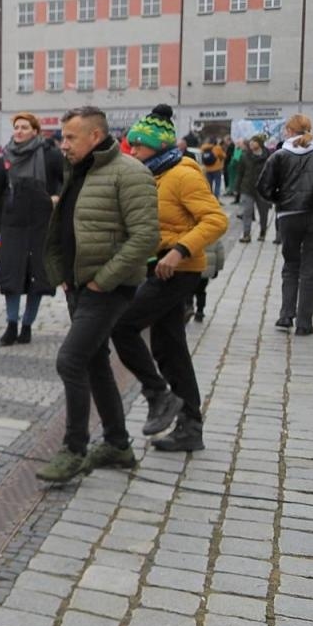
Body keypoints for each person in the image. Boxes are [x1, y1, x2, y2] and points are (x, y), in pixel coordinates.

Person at [36, 107, 159, 484]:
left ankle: (74, 450)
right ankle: (118, 445)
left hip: (107, 287)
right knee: (94, 363)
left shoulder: (130, 172)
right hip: (79, 285)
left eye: (70, 137)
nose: (63, 144)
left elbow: (145, 237)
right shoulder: (79, 169)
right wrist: (62, 273)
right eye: (63, 137)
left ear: (95, 136)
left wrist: (103, 280)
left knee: (70, 360)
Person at [108, 107, 226, 455]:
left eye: (139, 146)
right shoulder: (153, 174)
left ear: (159, 146)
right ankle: (190, 426)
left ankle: (159, 395)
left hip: (178, 269)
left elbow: (216, 220)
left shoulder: (183, 174)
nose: (133, 151)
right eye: (131, 146)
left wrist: (179, 250)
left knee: (123, 325)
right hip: (157, 267)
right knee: (169, 348)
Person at [0, 113, 64, 346]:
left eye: (24, 127)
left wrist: (57, 197)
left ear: (35, 131)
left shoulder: (50, 154)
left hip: (41, 225)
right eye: (16, 127)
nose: (19, 131)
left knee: (36, 279)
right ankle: (11, 325)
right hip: (13, 225)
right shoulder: (6, 157)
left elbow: (68, 182)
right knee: (12, 277)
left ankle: (27, 325)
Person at [257, 114, 313, 335]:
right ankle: (305, 323)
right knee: (310, 269)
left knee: (290, 265)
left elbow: (263, 188)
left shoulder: (279, 155)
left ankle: (286, 315)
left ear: (289, 131)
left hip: (288, 216)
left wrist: (281, 200)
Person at [236, 134, 272, 242]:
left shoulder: (268, 157)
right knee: (247, 212)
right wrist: (237, 188)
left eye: (254, 141)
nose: (251, 144)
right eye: (250, 142)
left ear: (260, 143)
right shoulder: (244, 156)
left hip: (262, 189)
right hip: (247, 188)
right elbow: (240, 173)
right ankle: (246, 234)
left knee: (263, 213)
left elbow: (271, 173)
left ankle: (262, 232)